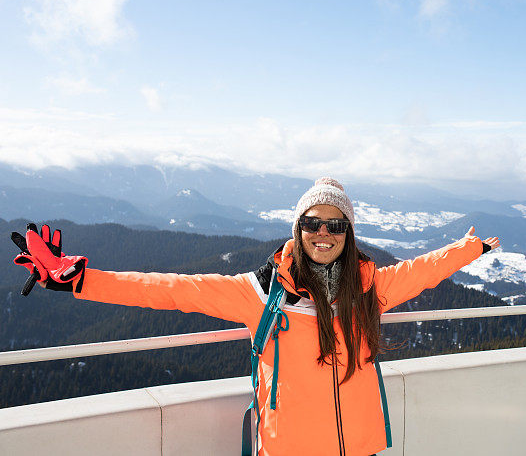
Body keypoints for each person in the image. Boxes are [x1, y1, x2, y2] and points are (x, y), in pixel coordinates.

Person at [12, 177, 500, 456]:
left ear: (348, 233)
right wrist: (81, 280)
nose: (322, 233)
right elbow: (170, 291)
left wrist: (467, 248)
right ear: (298, 229)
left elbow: (423, 270)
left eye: (335, 224)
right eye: (312, 223)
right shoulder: (262, 295)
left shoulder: (371, 291)